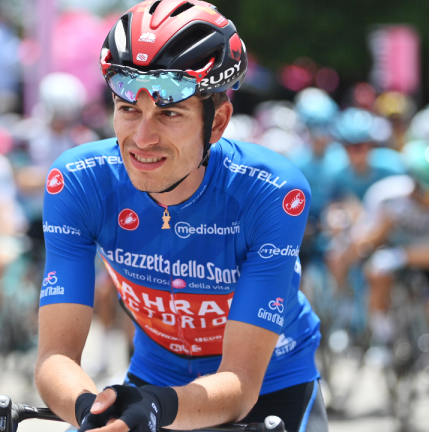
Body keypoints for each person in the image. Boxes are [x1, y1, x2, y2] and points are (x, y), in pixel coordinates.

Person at [34, 2, 326, 431]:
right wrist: (90, 409)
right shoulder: (78, 182)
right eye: (128, 108)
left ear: (218, 122)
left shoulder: (271, 192)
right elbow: (55, 357)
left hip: (270, 381)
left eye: (169, 113)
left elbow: (241, 383)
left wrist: (155, 408)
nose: (142, 138)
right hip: (155, 377)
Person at [330, 140, 429, 429]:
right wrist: (374, 238)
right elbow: (366, 242)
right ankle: (384, 336)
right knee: (376, 272)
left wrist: (404, 254)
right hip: (398, 262)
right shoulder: (389, 198)